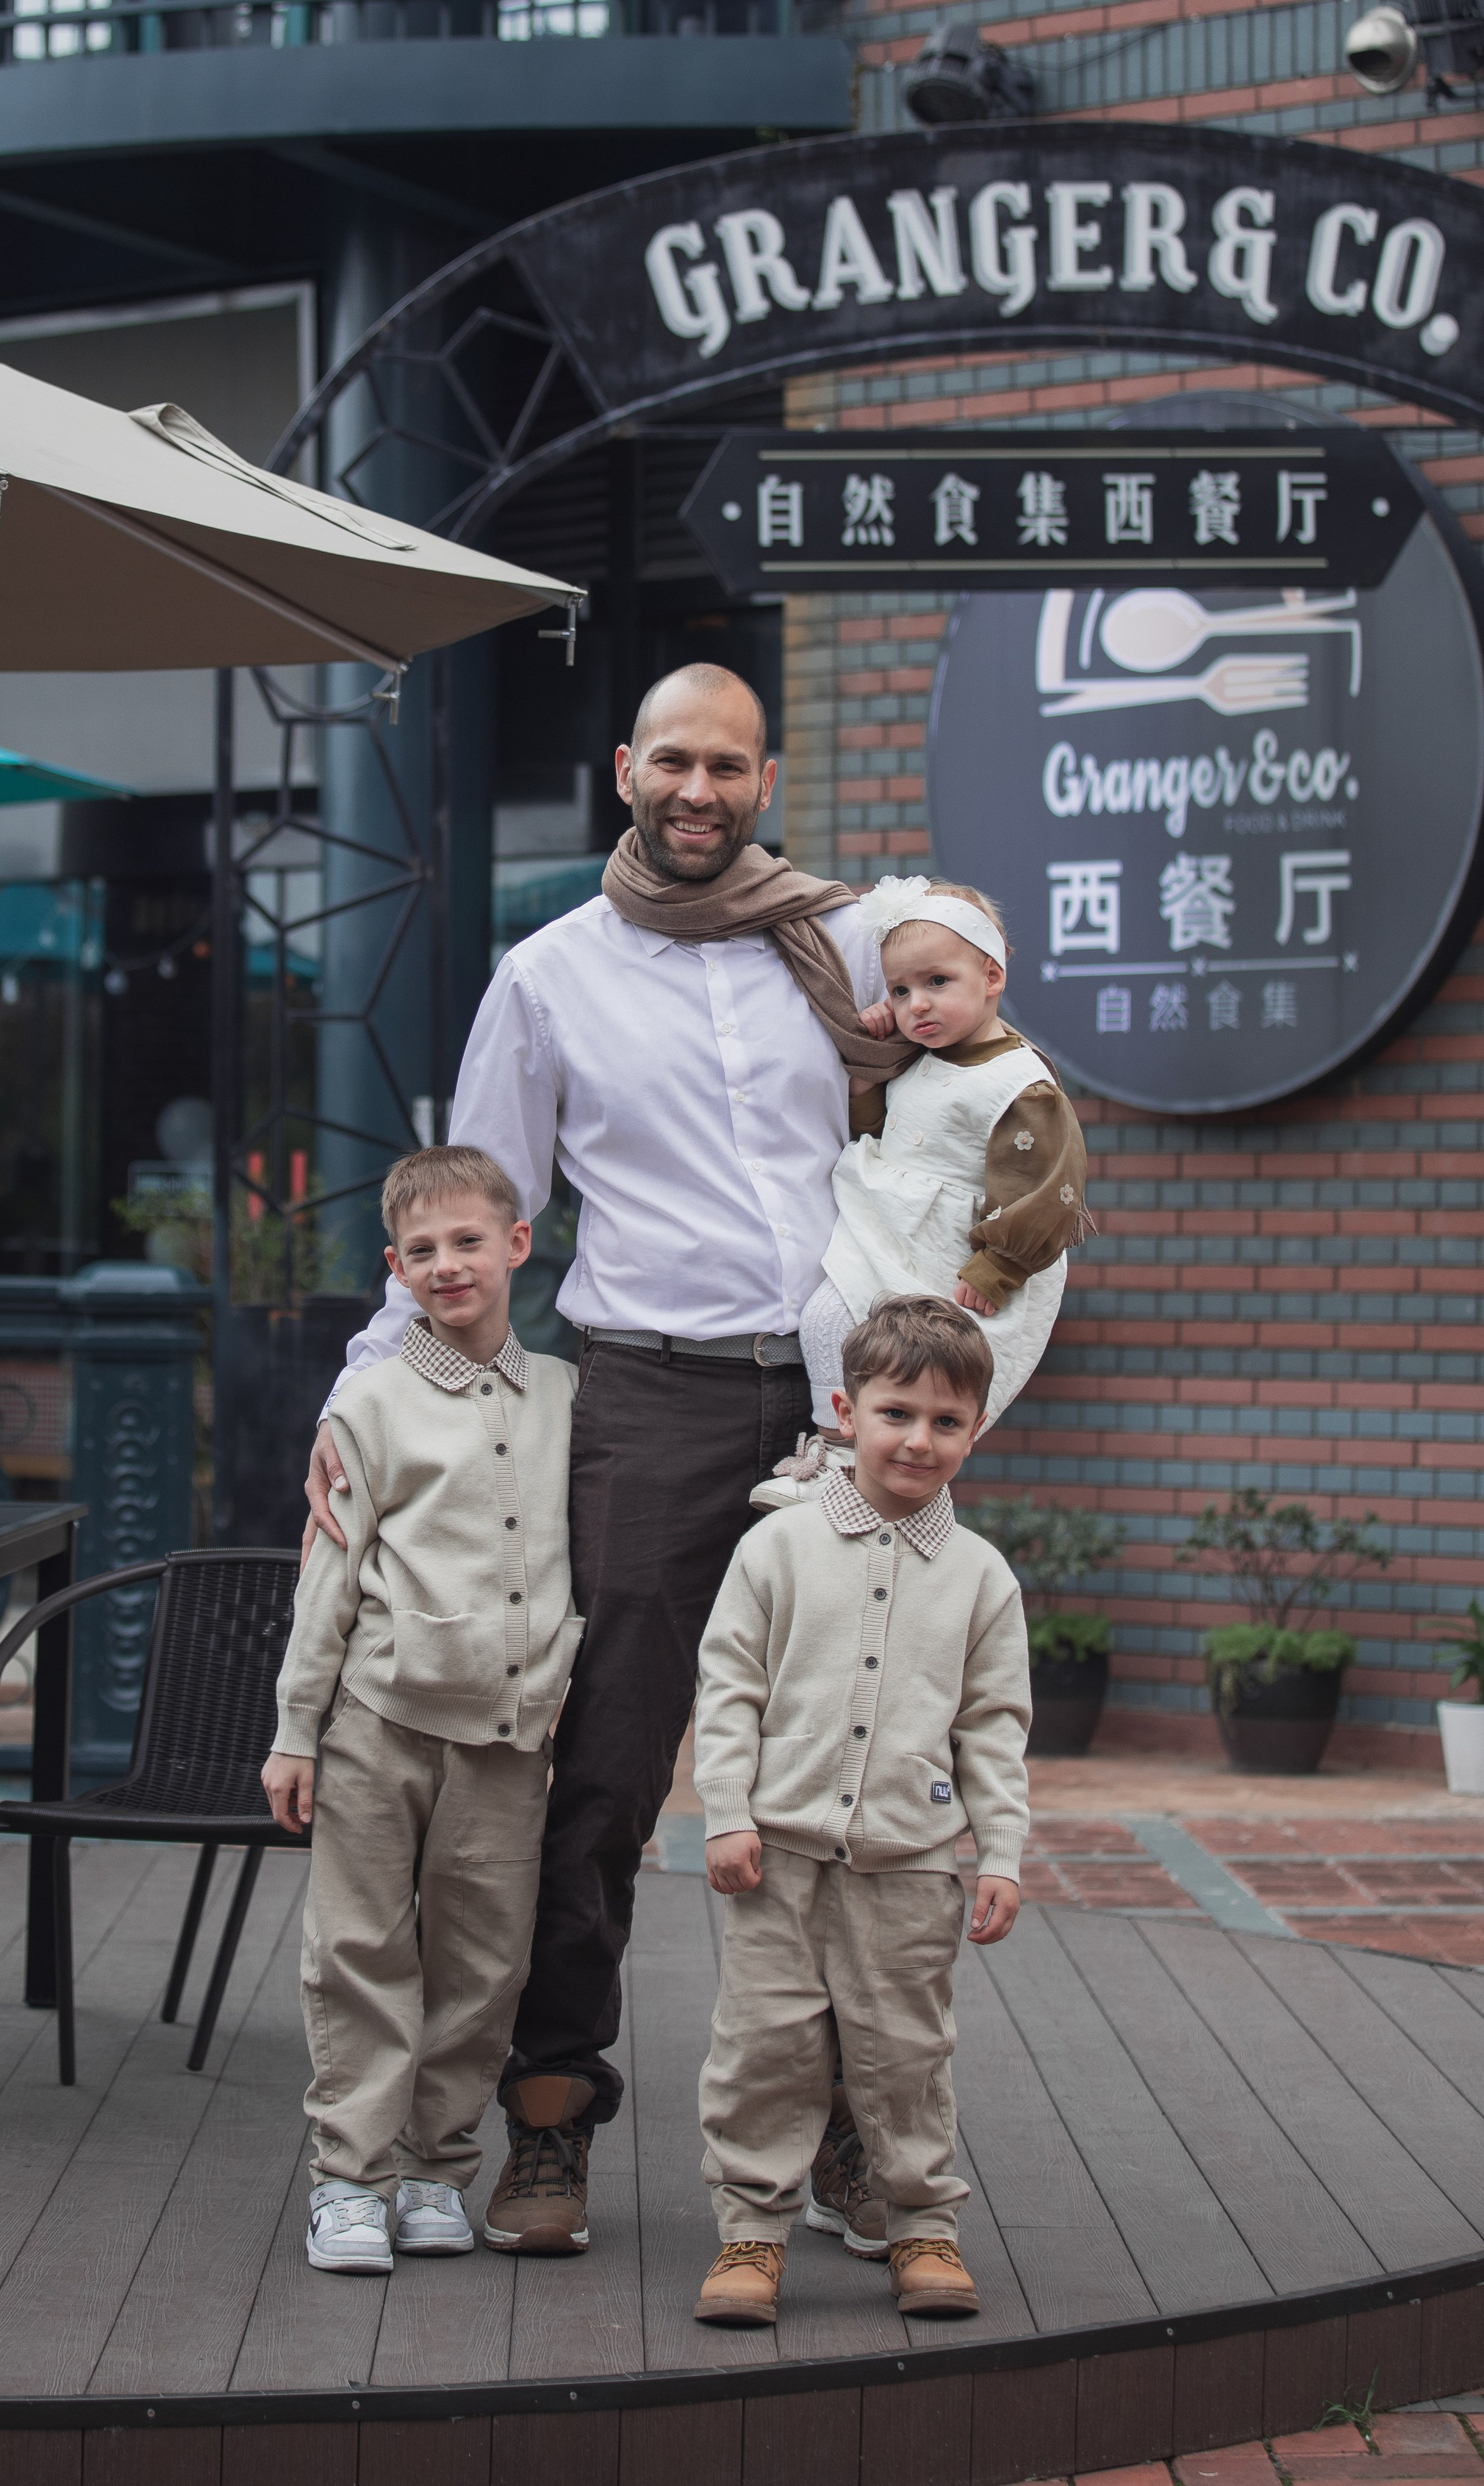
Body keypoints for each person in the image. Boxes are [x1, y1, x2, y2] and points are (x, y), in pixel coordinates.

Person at [301, 663, 912, 2254]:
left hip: (841, 1404)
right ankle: (547, 2121)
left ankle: (845, 2143)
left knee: (838, 1779)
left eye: (727, 767)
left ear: (761, 778)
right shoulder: (548, 976)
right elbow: (472, 1205)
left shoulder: (840, 948)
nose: (696, 792)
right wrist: (365, 1392)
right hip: (647, 1403)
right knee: (598, 1778)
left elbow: (959, 1106)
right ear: (621, 770)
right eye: (671, 764)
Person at [262, 1144, 581, 2274]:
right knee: (358, 1950)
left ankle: (437, 2169)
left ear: (516, 1246)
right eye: (424, 1251)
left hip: (508, 1738)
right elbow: (331, 1572)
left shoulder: (565, 1397)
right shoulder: (369, 1398)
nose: (449, 1265)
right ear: (396, 1267)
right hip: (377, 1724)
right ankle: (350, 2180)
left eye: (468, 1243)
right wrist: (296, 1730)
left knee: (482, 1965)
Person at [691, 1294, 1030, 2332]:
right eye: (896, 1414)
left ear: (976, 1430)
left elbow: (995, 1726)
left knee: (905, 2054)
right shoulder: (778, 1549)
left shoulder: (981, 1578)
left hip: (911, 1866)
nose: (917, 1440)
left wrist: (1003, 1853)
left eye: (945, 1422)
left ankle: (922, 2224)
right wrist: (725, 1813)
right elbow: (730, 1687)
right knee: (766, 2047)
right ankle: (752, 2230)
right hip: (777, 1858)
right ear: (845, 1409)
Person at [792, 874, 1090, 1444]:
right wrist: (873, 1063)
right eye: (900, 991)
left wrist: (998, 1264)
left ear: (991, 977)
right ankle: (835, 1452)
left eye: (937, 982)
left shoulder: (1017, 1082)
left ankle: (854, 1463)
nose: (917, 1004)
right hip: (888, 1227)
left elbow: (1047, 1184)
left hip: (950, 1251)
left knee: (913, 1372)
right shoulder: (923, 1054)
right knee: (831, 1325)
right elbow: (884, 1131)